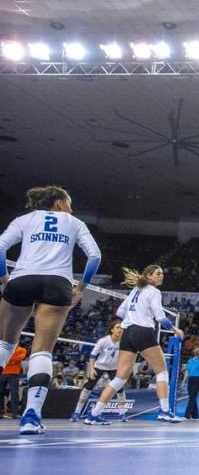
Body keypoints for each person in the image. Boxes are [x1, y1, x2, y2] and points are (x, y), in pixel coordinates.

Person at [0, 185, 101, 435]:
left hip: (22, 279)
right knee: (42, 350)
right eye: (68, 202)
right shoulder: (74, 222)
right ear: (57, 203)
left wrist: (4, 278)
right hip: (57, 284)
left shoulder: (24, 220)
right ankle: (31, 415)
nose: (71, 207)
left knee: (4, 345)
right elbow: (95, 256)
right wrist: (81, 288)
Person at [84, 265, 184, 425]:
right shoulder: (154, 291)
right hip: (142, 331)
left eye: (162, 274)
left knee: (119, 377)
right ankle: (165, 411)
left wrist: (134, 315)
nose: (162, 276)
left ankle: (94, 414)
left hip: (127, 332)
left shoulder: (135, 290)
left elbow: (119, 313)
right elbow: (160, 316)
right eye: (158, 274)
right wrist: (174, 329)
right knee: (162, 371)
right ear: (149, 276)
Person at [70, 322, 123, 422]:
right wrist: (91, 369)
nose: (120, 329)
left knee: (120, 389)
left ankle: (122, 413)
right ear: (112, 330)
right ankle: (76, 413)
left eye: (121, 328)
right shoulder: (103, 341)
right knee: (88, 388)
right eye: (117, 327)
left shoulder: (123, 341)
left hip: (114, 368)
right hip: (99, 366)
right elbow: (92, 356)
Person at [0, 343, 27, 418]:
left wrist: (6, 360)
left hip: (14, 374)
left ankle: (15, 413)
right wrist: (12, 361)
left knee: (14, 393)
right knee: (0, 393)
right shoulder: (4, 348)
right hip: (3, 373)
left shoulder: (22, 350)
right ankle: (1, 412)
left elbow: (20, 358)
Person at [183, 348, 199, 420]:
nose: (196, 351)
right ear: (193, 352)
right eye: (195, 350)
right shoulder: (190, 361)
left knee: (192, 397)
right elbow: (187, 371)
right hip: (190, 379)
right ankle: (195, 416)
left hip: (198, 379)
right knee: (192, 397)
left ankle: (186, 415)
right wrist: (184, 380)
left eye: (197, 350)